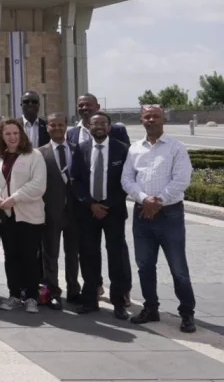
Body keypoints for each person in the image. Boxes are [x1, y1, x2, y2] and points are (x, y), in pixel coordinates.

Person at [123, 105, 196, 333]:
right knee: (145, 266)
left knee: (178, 268)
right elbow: (127, 179)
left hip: (170, 215)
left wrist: (159, 201)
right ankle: (150, 308)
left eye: (156, 116)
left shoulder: (176, 147)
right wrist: (145, 199)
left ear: (163, 118)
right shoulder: (135, 149)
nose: (151, 120)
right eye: (147, 116)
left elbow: (182, 179)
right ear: (141, 120)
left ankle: (187, 313)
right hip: (142, 214)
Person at [69, 92, 132, 306]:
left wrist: (107, 205)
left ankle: (119, 300)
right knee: (88, 255)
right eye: (94, 124)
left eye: (102, 123)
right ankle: (90, 299)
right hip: (87, 212)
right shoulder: (81, 148)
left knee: (116, 256)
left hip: (113, 211)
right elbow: (74, 179)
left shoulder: (122, 150)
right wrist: (91, 204)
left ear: (109, 126)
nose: (98, 126)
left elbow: (127, 180)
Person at [0, 118, 47, 313]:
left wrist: (14, 198)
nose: (12, 137)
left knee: (29, 256)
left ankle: (31, 297)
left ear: (21, 135)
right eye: (7, 134)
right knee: (11, 256)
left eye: (15, 133)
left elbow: (38, 185)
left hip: (28, 216)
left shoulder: (34, 155)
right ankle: (14, 295)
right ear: (1, 137)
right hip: (6, 215)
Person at [37, 113, 81, 310]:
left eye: (61, 124)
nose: (57, 128)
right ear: (47, 128)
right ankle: (53, 292)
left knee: (73, 253)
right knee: (50, 253)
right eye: (53, 125)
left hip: (74, 212)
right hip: (50, 212)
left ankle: (74, 289)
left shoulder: (77, 150)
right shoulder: (39, 154)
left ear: (67, 126)